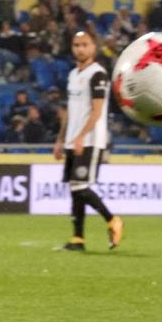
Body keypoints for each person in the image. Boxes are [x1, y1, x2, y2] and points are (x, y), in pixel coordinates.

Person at [54, 31, 123, 252]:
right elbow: (69, 111)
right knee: (75, 188)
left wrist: (81, 137)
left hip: (91, 140)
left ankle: (112, 220)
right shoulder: (74, 74)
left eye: (85, 44)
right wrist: (60, 139)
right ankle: (77, 239)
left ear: (93, 47)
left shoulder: (98, 74)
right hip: (73, 140)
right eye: (76, 45)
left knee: (81, 185)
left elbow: (97, 110)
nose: (80, 49)